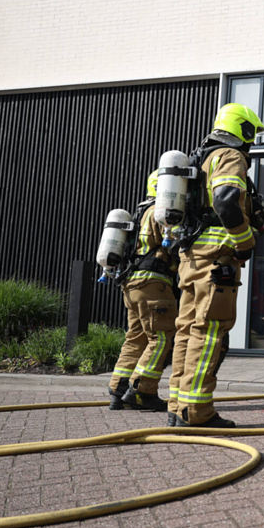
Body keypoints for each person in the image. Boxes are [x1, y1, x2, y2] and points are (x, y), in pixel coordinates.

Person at [167, 102, 264, 428]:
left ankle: (177, 405)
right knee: (209, 332)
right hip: (217, 258)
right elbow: (225, 200)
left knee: (186, 330)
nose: (253, 144)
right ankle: (196, 411)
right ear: (244, 131)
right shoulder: (230, 156)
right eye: (253, 136)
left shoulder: (202, 159)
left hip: (191, 257)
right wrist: (245, 241)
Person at [107, 171, 178, 412]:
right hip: (153, 284)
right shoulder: (161, 212)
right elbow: (175, 246)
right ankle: (142, 390)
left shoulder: (137, 213)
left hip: (131, 284)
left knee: (135, 338)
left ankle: (118, 389)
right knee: (161, 337)